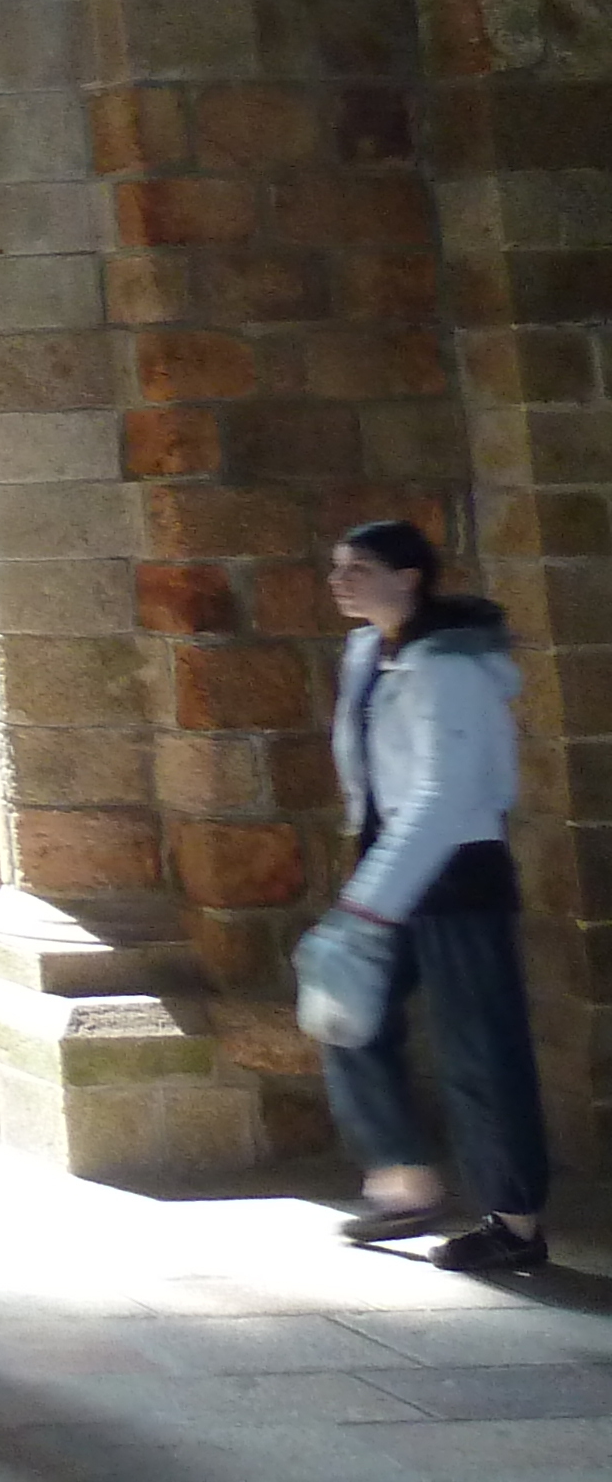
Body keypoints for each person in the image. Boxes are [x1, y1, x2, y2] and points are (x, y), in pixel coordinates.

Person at [318, 519, 551, 1276]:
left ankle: (515, 1224)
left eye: (358, 568)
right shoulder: (368, 655)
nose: (340, 581)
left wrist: (367, 903)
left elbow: (446, 794)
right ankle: (405, 1182)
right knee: (349, 1017)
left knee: (481, 1052)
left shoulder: (449, 667)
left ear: (409, 576)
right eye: (337, 569)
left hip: (455, 872)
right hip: (391, 871)